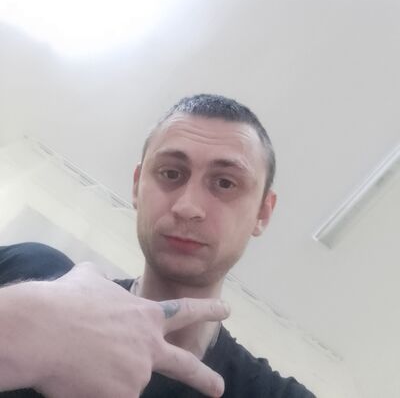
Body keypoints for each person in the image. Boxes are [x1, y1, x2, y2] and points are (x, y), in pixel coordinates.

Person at [0, 94, 316, 397]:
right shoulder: (29, 270)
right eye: (171, 173)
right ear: (137, 185)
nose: (188, 207)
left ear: (263, 213)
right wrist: (20, 325)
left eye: (225, 183)